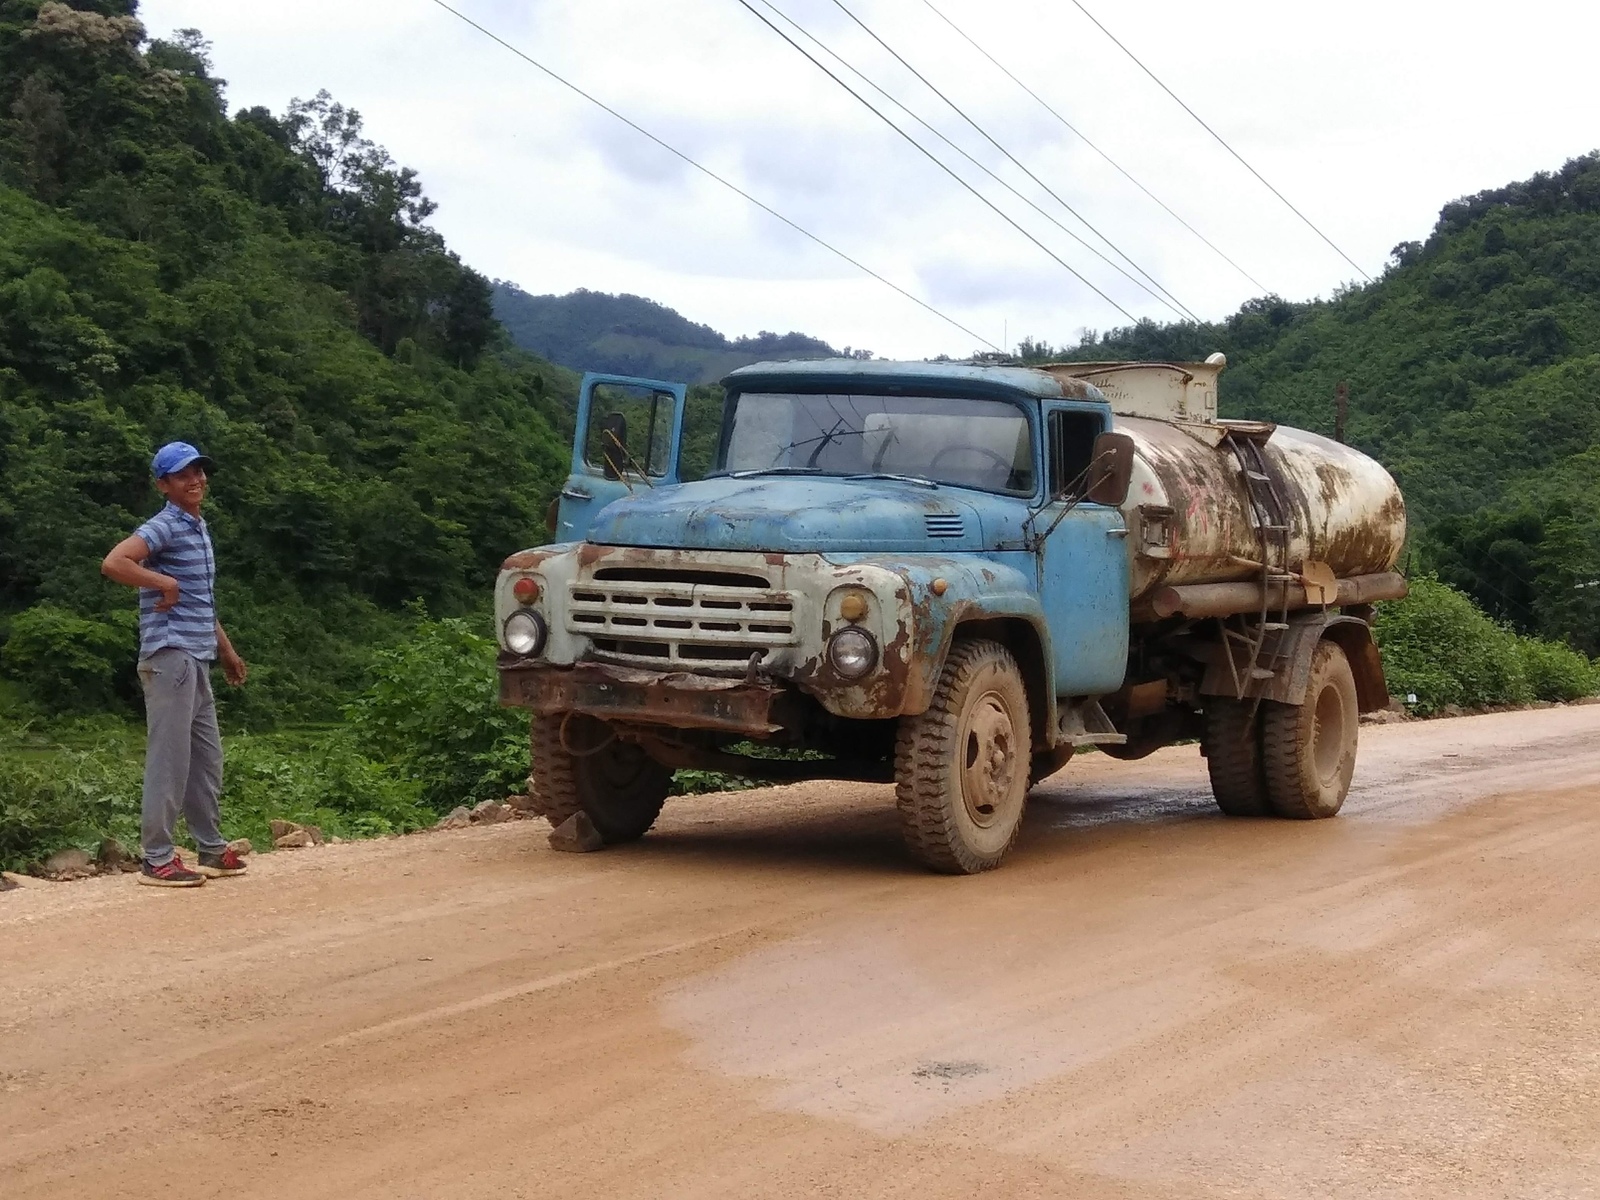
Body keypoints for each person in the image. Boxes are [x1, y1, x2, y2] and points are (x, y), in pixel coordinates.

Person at [101, 442, 249, 888]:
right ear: (164, 485)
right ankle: (158, 858)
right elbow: (114, 561)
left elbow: (201, 601)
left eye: (200, 471)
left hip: (197, 655)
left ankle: (209, 847)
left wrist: (226, 650)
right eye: (183, 474)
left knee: (206, 758)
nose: (196, 480)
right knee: (170, 759)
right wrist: (162, 580)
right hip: (170, 656)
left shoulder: (198, 528)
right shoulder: (165, 524)